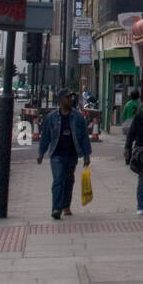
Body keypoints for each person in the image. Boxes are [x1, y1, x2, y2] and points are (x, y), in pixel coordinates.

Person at [37, 89, 91, 220]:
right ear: (61, 100)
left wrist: (86, 155)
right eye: (68, 97)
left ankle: (66, 205)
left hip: (72, 154)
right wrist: (41, 153)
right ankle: (56, 208)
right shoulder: (52, 117)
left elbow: (84, 137)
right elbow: (45, 136)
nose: (71, 100)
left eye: (71, 97)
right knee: (58, 180)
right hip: (57, 154)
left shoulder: (77, 117)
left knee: (68, 180)